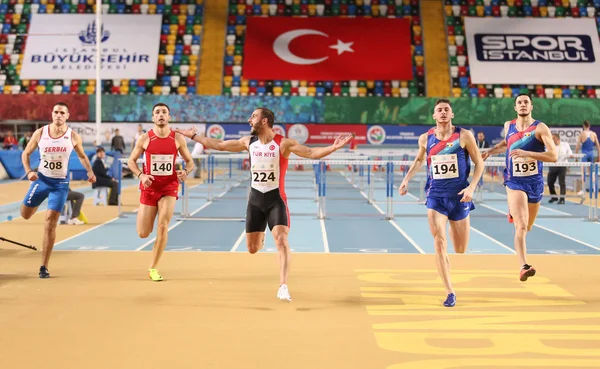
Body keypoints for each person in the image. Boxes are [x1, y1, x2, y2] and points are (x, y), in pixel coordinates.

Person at [176, 107, 352, 302]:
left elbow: (311, 152)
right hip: (255, 201)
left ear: (265, 121)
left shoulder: (283, 143)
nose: (249, 119)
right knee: (252, 248)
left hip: (276, 200)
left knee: (281, 239)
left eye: (253, 116)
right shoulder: (248, 142)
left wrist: (333, 147)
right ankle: (261, 235)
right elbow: (220, 144)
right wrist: (195, 136)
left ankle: (283, 286)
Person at [398, 99, 484, 308]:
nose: (443, 112)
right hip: (436, 196)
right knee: (439, 242)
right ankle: (449, 291)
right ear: (434, 116)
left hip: (459, 196)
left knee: (460, 248)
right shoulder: (425, 138)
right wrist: (406, 179)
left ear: (452, 115)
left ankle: (446, 261)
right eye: (439, 110)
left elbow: (479, 162)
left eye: (447, 109)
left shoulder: (463, 136)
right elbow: (419, 160)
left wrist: (472, 187)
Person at [482, 94, 557, 282]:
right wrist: (490, 151)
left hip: (535, 182)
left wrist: (528, 153)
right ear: (515, 107)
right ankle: (524, 266)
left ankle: (514, 211)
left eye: (526, 102)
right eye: (519, 102)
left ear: (531, 106)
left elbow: (553, 156)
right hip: (514, 181)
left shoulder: (540, 128)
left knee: (528, 226)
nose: (523, 105)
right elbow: (506, 144)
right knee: (521, 225)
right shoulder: (509, 126)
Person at [20, 102, 96, 278]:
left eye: (62, 112)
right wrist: (29, 171)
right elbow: (25, 154)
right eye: (56, 112)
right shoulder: (41, 133)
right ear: (52, 114)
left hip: (60, 184)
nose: (58, 115)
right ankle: (38, 201)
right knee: (25, 214)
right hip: (41, 180)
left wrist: (90, 171)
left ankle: (44, 266)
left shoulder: (73, 136)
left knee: (50, 221)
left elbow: (83, 156)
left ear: (67, 116)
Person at [127, 103, 194, 282]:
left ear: (169, 117)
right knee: (143, 232)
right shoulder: (144, 139)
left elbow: (190, 162)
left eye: (164, 112)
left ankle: (153, 267)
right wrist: (141, 176)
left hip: (169, 187)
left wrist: (185, 172)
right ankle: (154, 248)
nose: (161, 115)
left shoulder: (178, 139)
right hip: (149, 187)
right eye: (157, 112)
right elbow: (131, 162)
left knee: (163, 226)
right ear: (153, 118)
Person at [547, 134, 572, 204]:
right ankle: (554, 196)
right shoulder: (550, 145)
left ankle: (562, 199)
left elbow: (570, 153)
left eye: (553, 138)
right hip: (553, 166)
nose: (552, 140)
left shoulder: (565, 145)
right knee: (550, 182)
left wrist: (570, 155)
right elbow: (546, 153)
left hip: (562, 166)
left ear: (557, 139)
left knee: (562, 182)